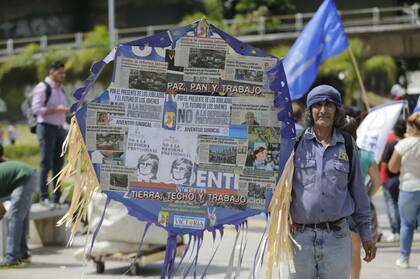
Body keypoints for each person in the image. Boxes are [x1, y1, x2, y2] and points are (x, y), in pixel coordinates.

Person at [290, 85, 376, 279]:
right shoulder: (296, 143)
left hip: (337, 238)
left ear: (336, 110)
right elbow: (282, 190)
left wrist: (366, 235)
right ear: (310, 111)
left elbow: (359, 193)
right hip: (301, 238)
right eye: (317, 105)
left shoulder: (347, 144)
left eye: (328, 105)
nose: (323, 110)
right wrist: (284, 219)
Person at [341, 116, 382, 279]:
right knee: (355, 251)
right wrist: (367, 195)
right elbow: (377, 183)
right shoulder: (366, 156)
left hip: (337, 208)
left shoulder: (333, 153)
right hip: (358, 207)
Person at [31, 61, 69, 208]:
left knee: (58, 164)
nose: (62, 75)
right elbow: (36, 109)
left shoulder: (61, 89)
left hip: (59, 128)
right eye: (60, 72)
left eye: (63, 73)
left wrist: (65, 111)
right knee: (45, 162)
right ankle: (43, 196)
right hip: (46, 127)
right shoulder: (43, 87)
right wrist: (56, 109)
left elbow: (61, 109)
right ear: (51, 71)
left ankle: (57, 196)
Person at [388, 112, 420, 269]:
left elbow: (392, 167)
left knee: (407, 224)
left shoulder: (403, 144)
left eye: (408, 124)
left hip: (408, 188)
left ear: (413, 127)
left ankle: (404, 258)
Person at [0, 147, 37, 268]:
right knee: (20, 217)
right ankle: (22, 253)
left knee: (13, 217)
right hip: (27, 175)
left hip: (23, 177)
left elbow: (1, 210)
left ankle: (11, 257)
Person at [381, 120, 406, 242]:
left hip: (391, 179)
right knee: (402, 205)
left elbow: (384, 164)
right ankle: (403, 230)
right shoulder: (408, 144)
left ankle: (396, 230)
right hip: (404, 179)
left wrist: (383, 180)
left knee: (392, 205)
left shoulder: (391, 145)